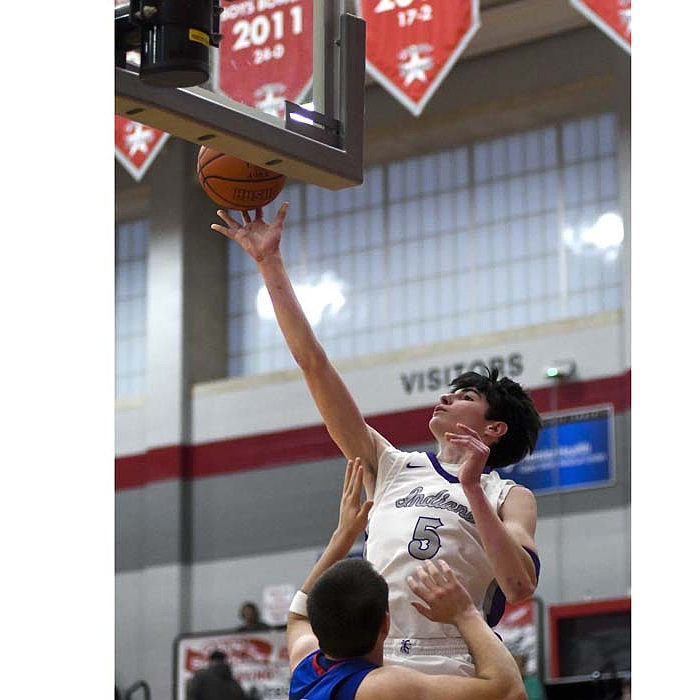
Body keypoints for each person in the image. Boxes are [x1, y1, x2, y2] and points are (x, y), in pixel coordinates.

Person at [212, 205, 543, 676]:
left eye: (466, 395)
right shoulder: (389, 465)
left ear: (494, 429)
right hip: (379, 662)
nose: (446, 396)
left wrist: (471, 486)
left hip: (458, 663)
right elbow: (313, 363)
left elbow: (518, 586)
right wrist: (270, 264)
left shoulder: (508, 496)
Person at [286, 458, 525, 700]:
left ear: (316, 627)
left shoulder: (305, 663)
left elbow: (296, 615)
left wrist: (343, 535)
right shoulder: (383, 688)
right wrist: (465, 613)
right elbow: (509, 692)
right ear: (385, 625)